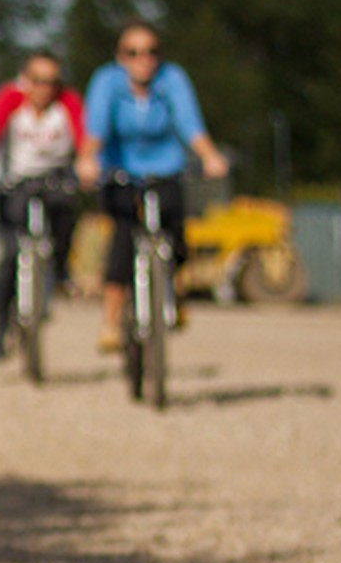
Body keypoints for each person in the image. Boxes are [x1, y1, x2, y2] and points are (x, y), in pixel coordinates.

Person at [75, 20, 229, 353]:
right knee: (123, 236)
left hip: (165, 167)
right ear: (121, 57)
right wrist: (87, 159)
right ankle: (111, 322)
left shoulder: (172, 79)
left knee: (176, 235)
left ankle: (172, 292)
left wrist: (210, 156)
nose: (143, 59)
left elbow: (190, 123)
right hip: (121, 172)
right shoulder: (107, 82)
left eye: (151, 52)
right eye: (133, 52)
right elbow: (96, 127)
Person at [0, 50, 84, 360]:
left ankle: (60, 272)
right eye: (38, 81)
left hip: (54, 180)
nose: (45, 88)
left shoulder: (67, 103)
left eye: (52, 82)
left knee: (65, 217)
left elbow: (85, 137)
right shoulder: (9, 101)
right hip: (13, 182)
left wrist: (87, 162)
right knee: (10, 256)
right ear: (25, 80)